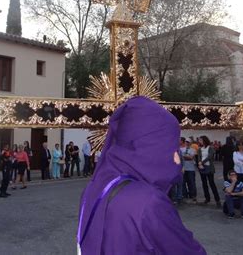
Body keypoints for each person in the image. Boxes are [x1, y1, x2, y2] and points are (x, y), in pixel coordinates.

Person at [77, 96, 206, 254]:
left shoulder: (95, 186)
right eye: (171, 147)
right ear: (150, 147)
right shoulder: (149, 202)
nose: (177, 158)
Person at [197, 135, 221, 207]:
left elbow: (210, 156)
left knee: (211, 183)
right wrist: (199, 163)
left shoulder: (210, 148)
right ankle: (207, 198)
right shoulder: (199, 149)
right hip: (202, 167)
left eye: (201, 140)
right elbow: (199, 157)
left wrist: (202, 162)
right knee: (204, 184)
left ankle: (217, 199)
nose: (200, 141)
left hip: (209, 167)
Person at [180, 138, 197, 203]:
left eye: (188, 142)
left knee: (191, 182)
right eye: (186, 142)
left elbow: (191, 158)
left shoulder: (193, 150)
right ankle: (185, 194)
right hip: (183, 168)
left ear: (190, 143)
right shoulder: (181, 149)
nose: (187, 143)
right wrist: (187, 156)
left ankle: (193, 195)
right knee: (183, 182)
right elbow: (181, 157)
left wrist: (184, 156)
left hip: (191, 168)